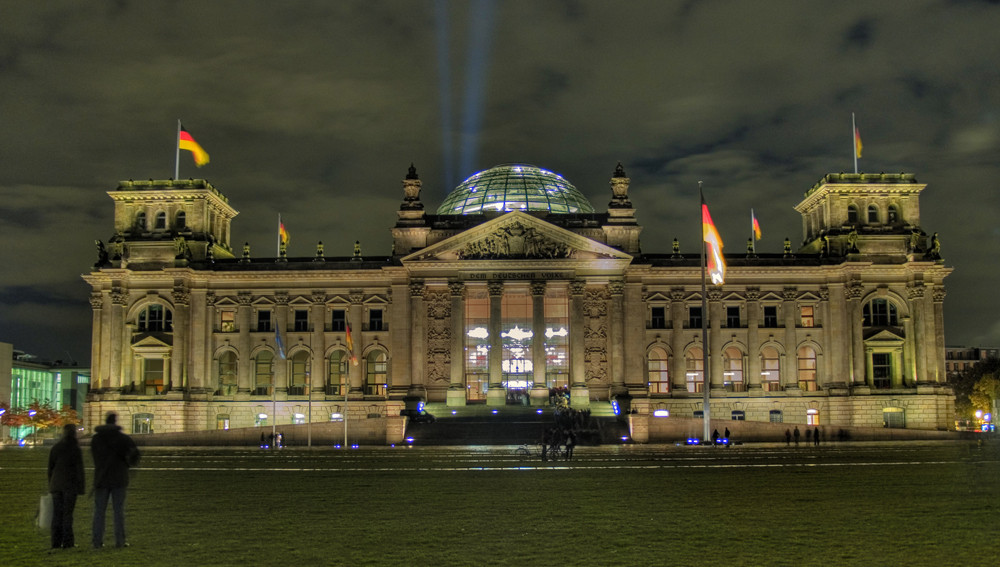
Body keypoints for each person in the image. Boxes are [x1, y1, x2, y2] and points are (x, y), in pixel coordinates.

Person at [91, 412, 140, 549]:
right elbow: (135, 454)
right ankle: (120, 541)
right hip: (119, 478)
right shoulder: (123, 439)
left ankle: (97, 542)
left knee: (99, 512)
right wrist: (128, 464)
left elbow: (95, 458)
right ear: (115, 422)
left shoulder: (96, 439)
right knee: (118, 512)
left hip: (101, 478)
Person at [48, 423, 85, 549]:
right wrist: (81, 487)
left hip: (56, 485)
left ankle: (55, 542)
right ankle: (68, 542)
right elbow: (80, 470)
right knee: (67, 515)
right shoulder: (75, 448)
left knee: (57, 514)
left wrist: (51, 484)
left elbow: (50, 468)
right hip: (70, 485)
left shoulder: (56, 447)